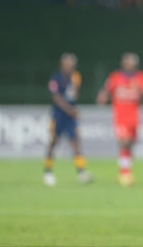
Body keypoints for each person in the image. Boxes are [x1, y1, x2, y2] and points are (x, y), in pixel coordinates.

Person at [96, 52, 143, 186]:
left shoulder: (141, 77)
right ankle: (124, 173)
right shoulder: (115, 77)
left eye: (132, 62)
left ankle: (127, 169)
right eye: (128, 62)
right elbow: (105, 90)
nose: (130, 65)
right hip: (120, 117)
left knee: (131, 143)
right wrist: (102, 97)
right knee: (124, 142)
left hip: (134, 117)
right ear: (123, 63)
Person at [44, 52, 92, 186]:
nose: (69, 67)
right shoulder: (55, 78)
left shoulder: (76, 77)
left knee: (75, 142)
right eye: (67, 64)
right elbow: (56, 98)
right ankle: (47, 172)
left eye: (72, 64)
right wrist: (69, 110)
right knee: (53, 142)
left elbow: (74, 95)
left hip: (71, 117)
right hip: (58, 115)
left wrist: (76, 86)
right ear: (62, 64)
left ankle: (81, 172)